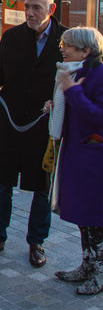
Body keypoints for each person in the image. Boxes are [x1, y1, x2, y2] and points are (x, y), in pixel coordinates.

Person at [0, 0, 64, 267]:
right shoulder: (12, 37)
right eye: (27, 7)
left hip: (44, 125)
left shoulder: (65, 40)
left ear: (51, 10)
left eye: (36, 8)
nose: (29, 13)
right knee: (2, 183)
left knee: (42, 187)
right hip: (10, 122)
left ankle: (36, 242)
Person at [49, 27, 103, 294]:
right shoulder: (75, 71)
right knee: (84, 216)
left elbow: (98, 116)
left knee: (96, 217)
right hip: (77, 154)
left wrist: (72, 92)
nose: (63, 49)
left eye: (68, 45)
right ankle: (87, 265)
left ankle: (100, 274)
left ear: (85, 51)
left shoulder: (100, 74)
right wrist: (54, 106)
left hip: (93, 158)